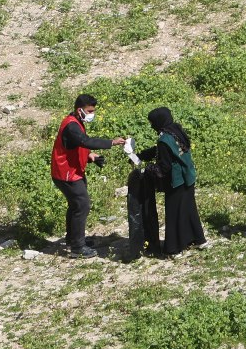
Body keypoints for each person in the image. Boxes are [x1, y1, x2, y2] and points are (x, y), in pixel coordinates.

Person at [124, 106, 203, 260]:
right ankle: (198, 239)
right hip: (188, 176)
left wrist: (147, 170)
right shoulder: (175, 130)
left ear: (158, 122)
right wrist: (141, 155)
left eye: (152, 123)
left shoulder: (163, 139)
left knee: (173, 215)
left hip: (177, 181)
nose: (152, 126)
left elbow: (164, 167)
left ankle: (174, 249)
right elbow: (161, 151)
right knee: (189, 210)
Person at [48, 93, 119, 258]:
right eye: (90, 110)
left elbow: (77, 145)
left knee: (76, 205)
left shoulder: (76, 122)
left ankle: (73, 239)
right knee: (82, 205)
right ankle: (78, 247)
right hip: (66, 174)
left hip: (73, 171)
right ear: (79, 110)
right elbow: (85, 141)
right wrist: (111, 142)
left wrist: (90, 156)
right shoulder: (71, 126)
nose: (92, 114)